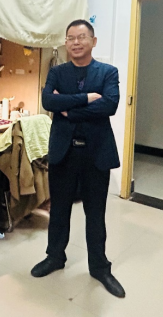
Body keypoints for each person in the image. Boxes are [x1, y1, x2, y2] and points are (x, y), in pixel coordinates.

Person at [31, 20, 125, 299]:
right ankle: (55, 257)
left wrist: (69, 110)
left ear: (93, 41)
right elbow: (48, 102)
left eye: (81, 37)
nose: (75, 42)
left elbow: (109, 105)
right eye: (70, 37)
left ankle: (99, 267)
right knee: (59, 210)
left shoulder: (108, 72)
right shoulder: (57, 72)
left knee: (95, 213)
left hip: (96, 153)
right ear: (66, 42)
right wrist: (86, 98)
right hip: (64, 151)